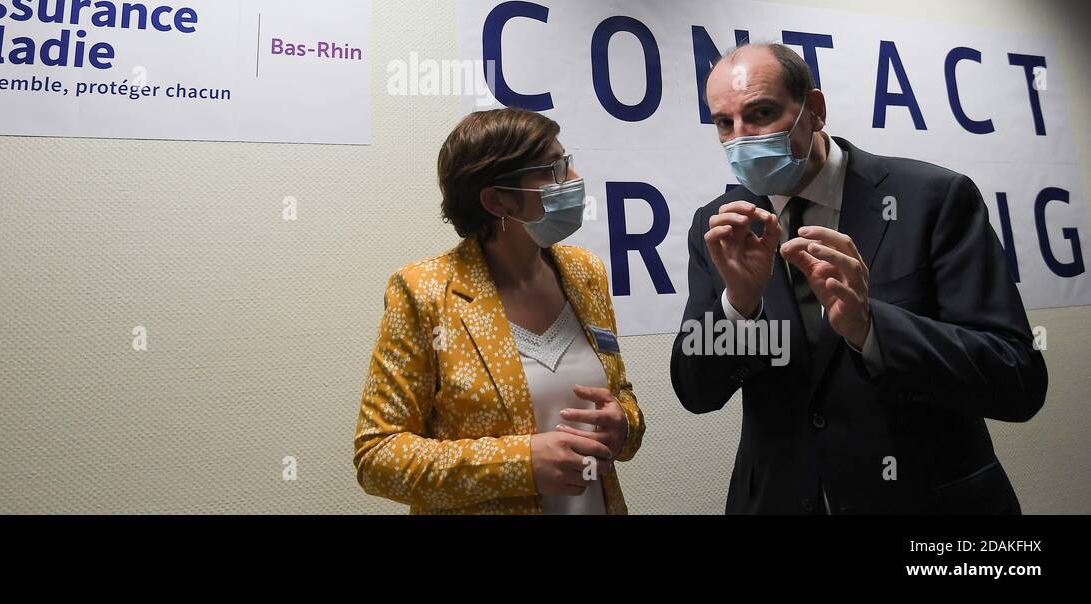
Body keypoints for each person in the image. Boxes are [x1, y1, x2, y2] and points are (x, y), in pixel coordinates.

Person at [671, 42, 1046, 514]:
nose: (741, 137)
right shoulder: (721, 225)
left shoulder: (933, 199)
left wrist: (872, 329)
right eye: (725, 123)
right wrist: (739, 307)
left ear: (815, 110)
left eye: (761, 113)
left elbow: (1016, 378)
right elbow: (696, 392)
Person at [355, 108, 644, 513]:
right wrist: (520, 463)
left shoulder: (586, 273)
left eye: (568, 163)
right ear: (496, 200)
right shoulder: (424, 291)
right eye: (553, 171)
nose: (574, 182)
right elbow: (377, 457)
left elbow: (621, 395)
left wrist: (624, 425)